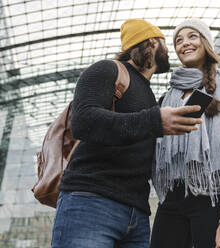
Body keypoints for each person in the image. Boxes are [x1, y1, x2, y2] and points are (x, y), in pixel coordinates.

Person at [51, 19, 202, 248]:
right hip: (91, 202)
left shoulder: (151, 96)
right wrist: (155, 121)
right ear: (152, 43)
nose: (169, 51)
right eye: (165, 43)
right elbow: (83, 121)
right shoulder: (107, 69)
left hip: (137, 215)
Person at [151, 19, 220, 248]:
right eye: (178, 40)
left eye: (192, 36)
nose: (184, 43)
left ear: (206, 43)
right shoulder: (169, 97)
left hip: (212, 199)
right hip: (172, 200)